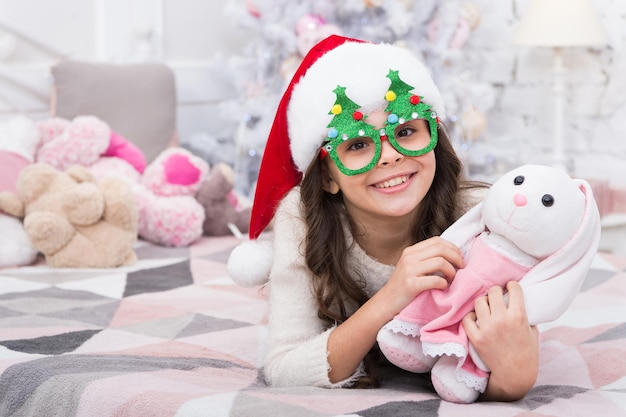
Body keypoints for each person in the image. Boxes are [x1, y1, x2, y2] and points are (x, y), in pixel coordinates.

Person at [227, 35, 539, 402]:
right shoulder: (303, 218)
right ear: (327, 177)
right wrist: (395, 293)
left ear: (433, 139)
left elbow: (503, 362)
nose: (389, 157)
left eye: (406, 131)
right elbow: (283, 369)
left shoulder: (480, 217)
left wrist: (515, 378)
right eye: (357, 144)